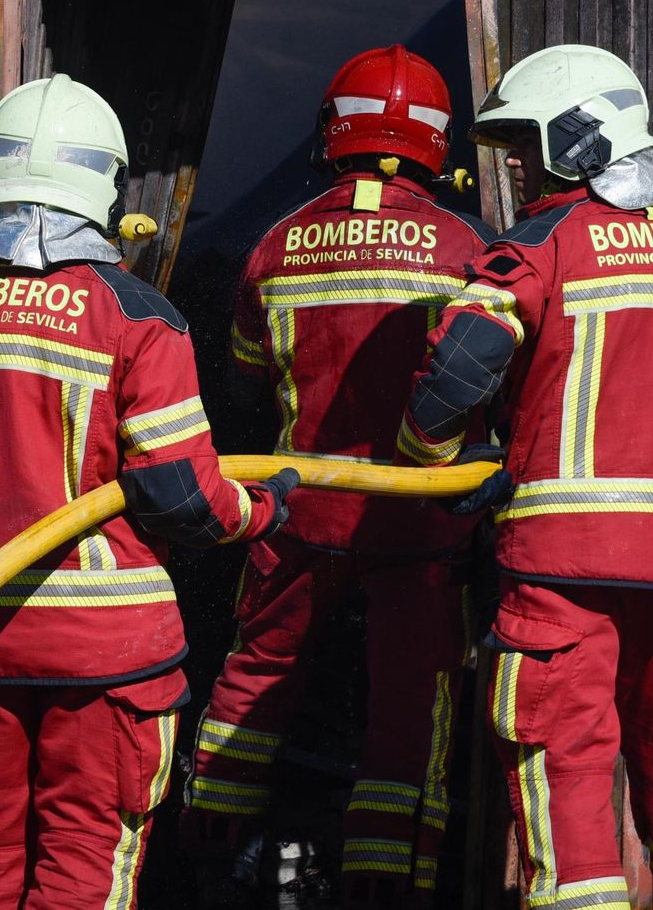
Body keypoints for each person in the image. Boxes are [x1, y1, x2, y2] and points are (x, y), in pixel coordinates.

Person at [0, 74, 297, 909]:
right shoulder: (138, 319)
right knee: (82, 868)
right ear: (104, 188)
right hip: (107, 660)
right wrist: (267, 507)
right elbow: (182, 498)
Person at [397, 44, 653, 910]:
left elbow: (458, 371)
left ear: (579, 140)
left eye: (525, 143)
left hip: (562, 570)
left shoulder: (542, 245)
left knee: (564, 765)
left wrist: (434, 461)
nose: (516, 165)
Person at [180, 46, 497, 909]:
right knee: (411, 707)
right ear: (436, 141)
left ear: (334, 128)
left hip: (297, 511)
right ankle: (385, 878)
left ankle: (211, 850)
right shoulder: (468, 246)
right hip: (419, 522)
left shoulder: (278, 241)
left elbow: (248, 375)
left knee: (254, 677)